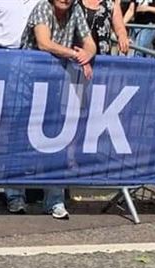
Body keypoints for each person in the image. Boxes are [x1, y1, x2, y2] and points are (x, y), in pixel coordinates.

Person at [7, 0, 97, 219]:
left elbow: (90, 43)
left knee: (56, 143)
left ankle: (54, 200)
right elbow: (44, 43)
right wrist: (74, 54)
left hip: (53, 85)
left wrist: (86, 54)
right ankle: (15, 195)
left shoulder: (75, 10)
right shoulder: (42, 8)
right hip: (25, 83)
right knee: (20, 140)